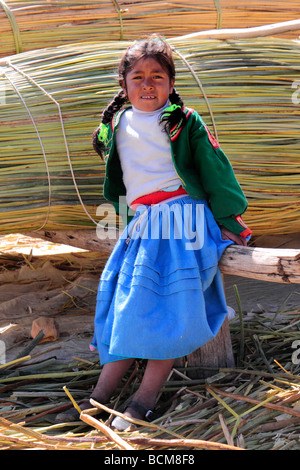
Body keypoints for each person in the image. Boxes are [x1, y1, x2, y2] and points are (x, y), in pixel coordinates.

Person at [56, 34, 252, 429]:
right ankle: (98, 399)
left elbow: (217, 172)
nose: (148, 85)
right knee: (126, 310)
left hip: (183, 223)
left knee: (166, 310)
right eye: (138, 77)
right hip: (143, 226)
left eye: (158, 76)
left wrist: (230, 222)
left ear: (172, 83)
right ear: (123, 85)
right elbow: (125, 177)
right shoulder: (116, 124)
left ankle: (142, 402)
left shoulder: (183, 122)